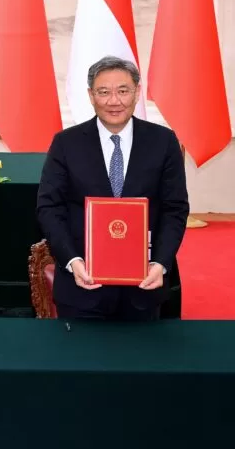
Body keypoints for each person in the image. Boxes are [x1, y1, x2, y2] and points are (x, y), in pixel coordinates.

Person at [36, 56, 189, 321]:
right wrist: (73, 261)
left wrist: (161, 263)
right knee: (80, 362)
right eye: (103, 92)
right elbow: (49, 207)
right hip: (82, 286)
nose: (114, 101)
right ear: (91, 95)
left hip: (145, 286)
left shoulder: (163, 141)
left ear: (137, 92)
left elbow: (175, 208)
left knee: (141, 362)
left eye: (123, 91)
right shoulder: (66, 143)